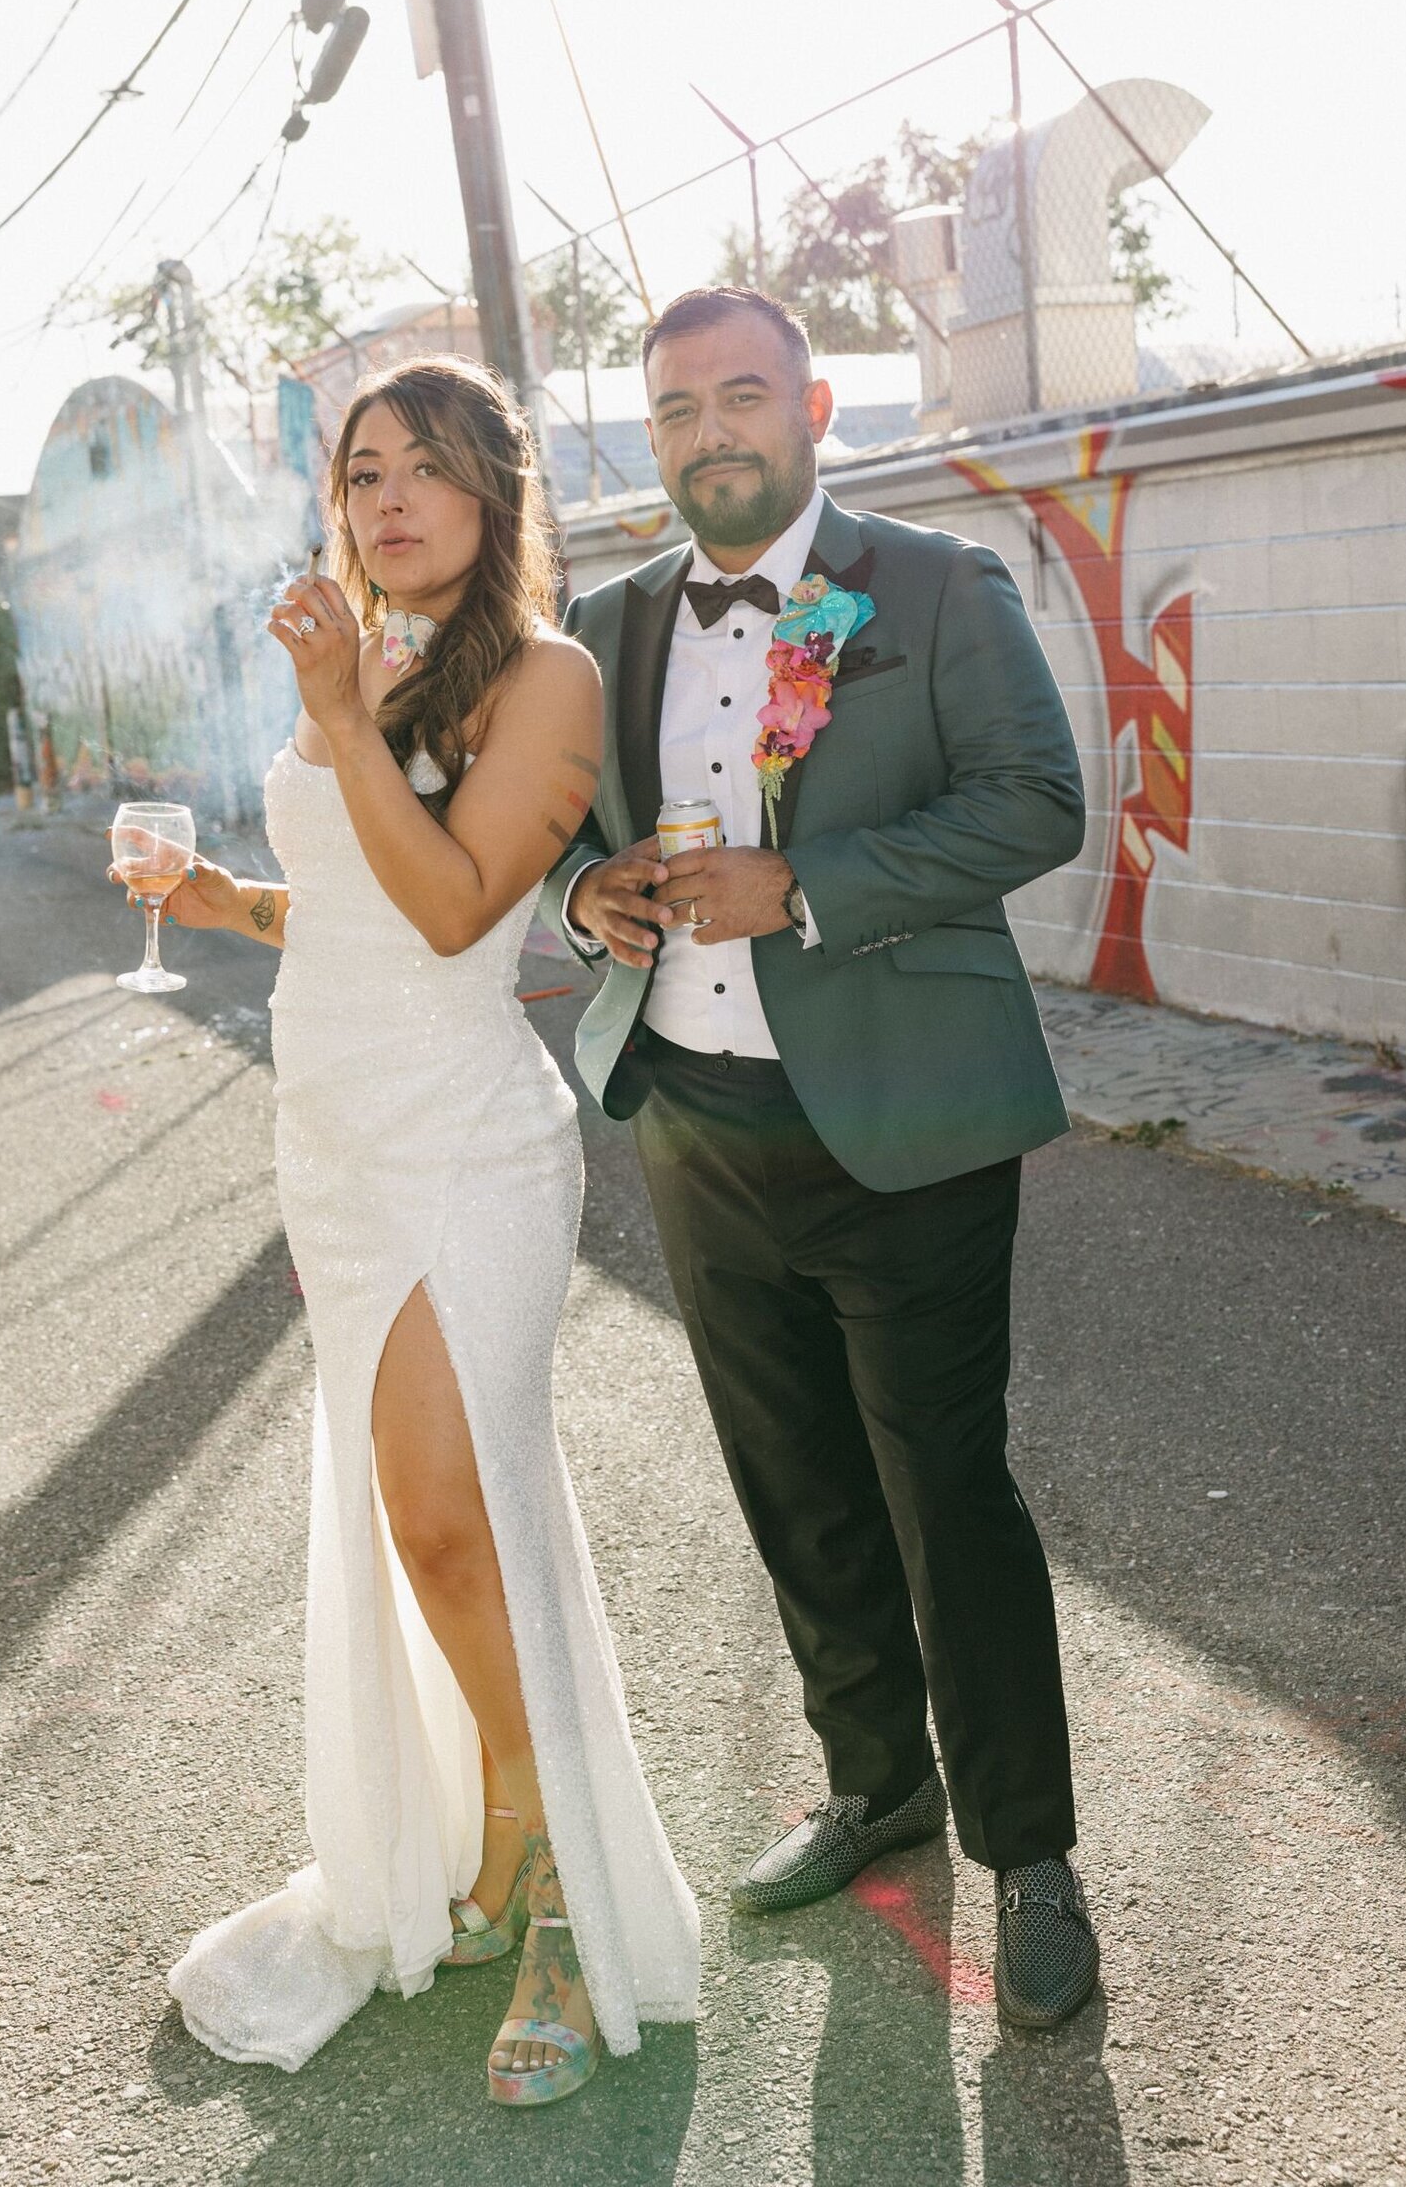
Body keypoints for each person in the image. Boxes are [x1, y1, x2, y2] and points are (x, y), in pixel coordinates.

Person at [115, 355, 698, 2102]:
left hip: (467, 1148)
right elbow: (360, 907)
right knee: (410, 1521)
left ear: (491, 491)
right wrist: (229, 901)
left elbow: (455, 914)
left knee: (460, 1519)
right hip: (340, 1150)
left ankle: (570, 1911)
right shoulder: (360, 667)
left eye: (423, 470)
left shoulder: (549, 677)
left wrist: (344, 721)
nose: (384, 503)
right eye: (361, 471)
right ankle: (509, 1833)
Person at [540, 286, 1100, 2031]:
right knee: (793, 1485)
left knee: (949, 1490)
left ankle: (1030, 1855)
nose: (712, 430)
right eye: (678, 406)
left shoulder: (930, 587)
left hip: (911, 1123)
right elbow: (563, 829)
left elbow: (1037, 800)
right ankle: (877, 1780)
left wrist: (812, 887)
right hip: (698, 1126)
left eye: (744, 395)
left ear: (814, 406)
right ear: (652, 432)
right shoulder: (603, 622)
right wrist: (590, 891)